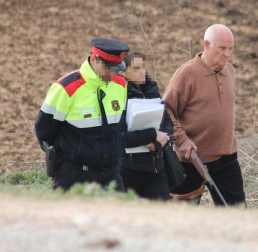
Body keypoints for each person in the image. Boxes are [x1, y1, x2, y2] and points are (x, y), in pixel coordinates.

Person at [163, 24, 246, 206]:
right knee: (182, 216)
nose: (227, 54)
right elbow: (166, 110)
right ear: (206, 45)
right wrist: (182, 140)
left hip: (226, 158)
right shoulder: (187, 73)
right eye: (222, 48)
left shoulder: (229, 71)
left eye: (230, 49)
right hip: (191, 160)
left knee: (236, 214)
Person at [35, 38, 129, 191]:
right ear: (94, 59)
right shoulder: (66, 87)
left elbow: (120, 123)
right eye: (108, 67)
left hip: (111, 173)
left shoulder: (120, 84)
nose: (113, 73)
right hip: (74, 174)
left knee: (119, 215)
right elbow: (44, 130)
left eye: (116, 68)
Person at [120, 51, 172, 200]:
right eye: (136, 68)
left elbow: (167, 123)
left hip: (155, 168)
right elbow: (120, 136)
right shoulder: (119, 95)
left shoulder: (153, 91)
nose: (142, 71)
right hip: (128, 170)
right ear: (124, 72)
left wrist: (158, 143)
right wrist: (151, 135)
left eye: (143, 67)